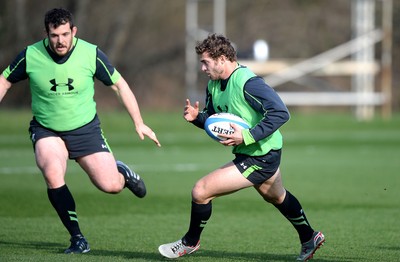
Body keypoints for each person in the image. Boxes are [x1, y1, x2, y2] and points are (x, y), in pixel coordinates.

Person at [0, 8, 161, 254]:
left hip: (85, 130)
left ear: (74, 31)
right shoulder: (31, 55)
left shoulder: (90, 53)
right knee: (53, 173)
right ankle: (77, 239)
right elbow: (5, 80)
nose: (60, 41)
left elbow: (119, 85)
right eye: (55, 35)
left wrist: (138, 122)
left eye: (65, 34)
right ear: (46, 33)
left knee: (111, 186)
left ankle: (123, 173)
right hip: (46, 129)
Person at [158, 34, 324, 261]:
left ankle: (190, 242)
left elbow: (281, 112)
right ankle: (309, 237)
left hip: (261, 155)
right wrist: (198, 118)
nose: (202, 68)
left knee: (201, 191)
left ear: (223, 59)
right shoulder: (213, 85)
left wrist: (246, 136)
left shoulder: (248, 83)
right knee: (276, 196)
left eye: (206, 62)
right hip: (254, 152)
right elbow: (217, 121)